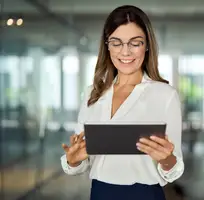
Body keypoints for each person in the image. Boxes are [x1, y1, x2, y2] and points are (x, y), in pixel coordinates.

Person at [60, 5, 184, 200]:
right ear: (107, 45)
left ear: (147, 45)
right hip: (100, 193)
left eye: (135, 43)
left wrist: (167, 159)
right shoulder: (93, 94)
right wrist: (73, 160)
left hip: (145, 194)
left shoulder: (165, 95)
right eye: (117, 43)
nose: (125, 52)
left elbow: (174, 169)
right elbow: (81, 161)